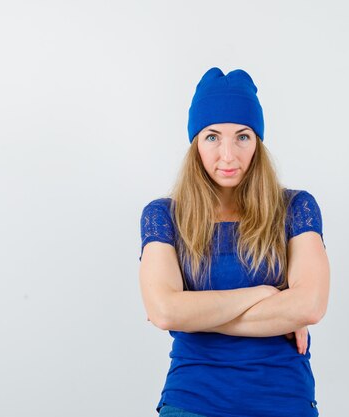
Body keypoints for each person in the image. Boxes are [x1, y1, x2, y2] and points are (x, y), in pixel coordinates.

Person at [138, 67, 330, 417]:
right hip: (192, 399)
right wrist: (265, 296)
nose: (228, 155)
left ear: (257, 142)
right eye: (212, 137)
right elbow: (164, 311)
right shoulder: (163, 216)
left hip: (283, 399)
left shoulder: (295, 209)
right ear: (195, 143)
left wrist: (192, 312)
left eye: (242, 137)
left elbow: (310, 306)